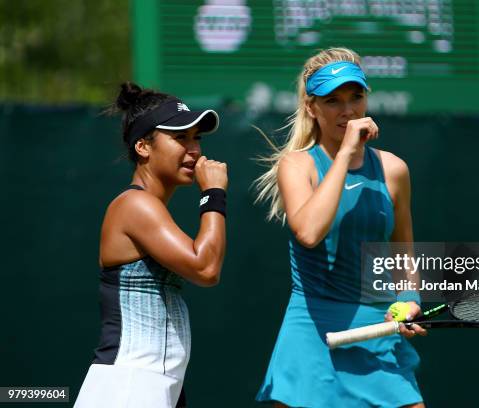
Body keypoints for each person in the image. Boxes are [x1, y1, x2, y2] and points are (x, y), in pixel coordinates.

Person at [254, 48, 427, 407]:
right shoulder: (297, 166)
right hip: (312, 334)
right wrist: (346, 154)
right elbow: (309, 232)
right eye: (333, 100)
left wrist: (410, 300)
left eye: (356, 97)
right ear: (310, 107)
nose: (347, 110)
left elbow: (403, 258)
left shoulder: (394, 170)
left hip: (377, 332)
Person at [74, 82, 228, 408]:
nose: (194, 149)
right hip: (129, 387)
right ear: (144, 147)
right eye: (180, 137)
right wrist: (213, 194)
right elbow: (206, 267)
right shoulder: (135, 206)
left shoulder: (149, 208)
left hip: (151, 386)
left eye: (196, 137)